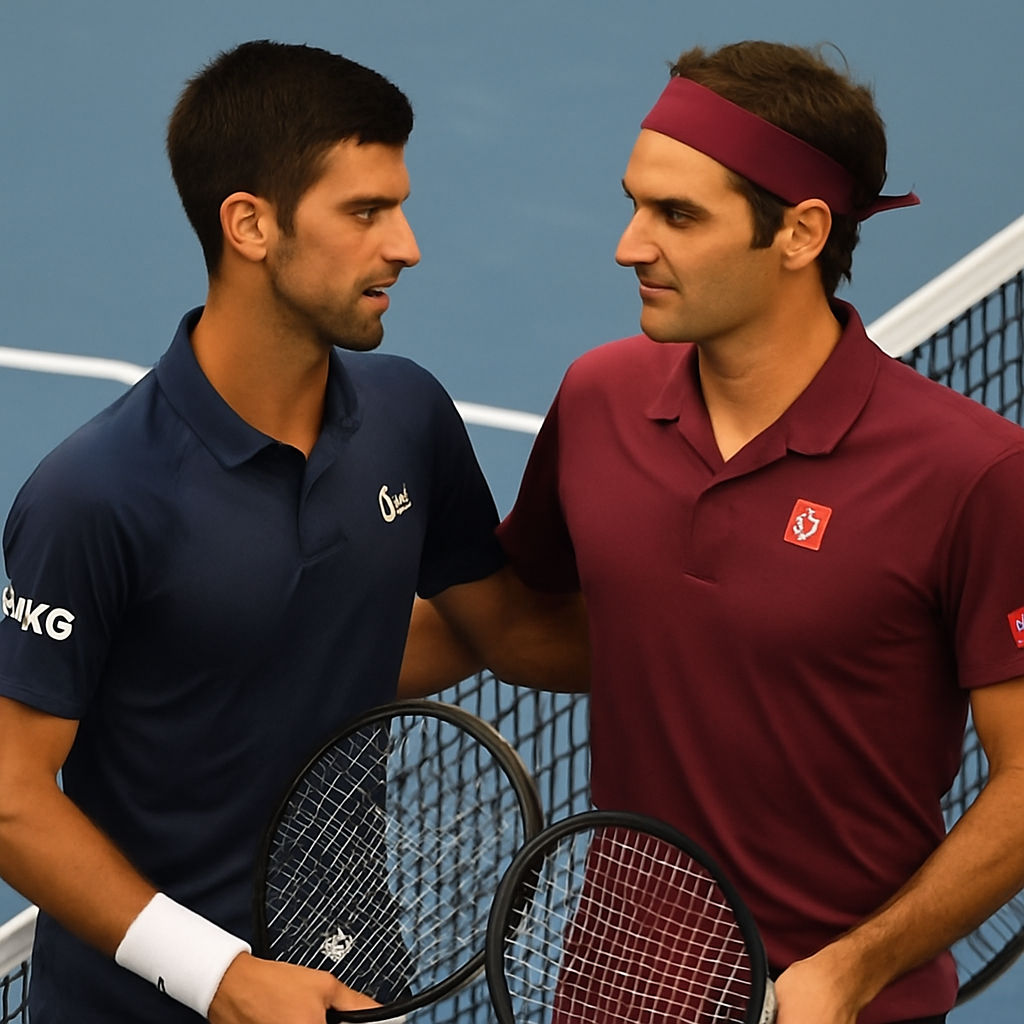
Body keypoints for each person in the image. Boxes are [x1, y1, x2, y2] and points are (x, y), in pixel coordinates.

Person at [403, 41, 1024, 1024]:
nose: (629, 244)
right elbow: (516, 624)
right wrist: (243, 671)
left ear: (800, 233)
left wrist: (854, 967)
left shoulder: (973, 474)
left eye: (677, 215)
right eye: (634, 202)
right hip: (613, 995)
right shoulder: (599, 399)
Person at [0, 40, 584, 1024]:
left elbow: (507, 632)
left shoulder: (407, 418)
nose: (405, 245)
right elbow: (12, 797)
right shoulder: (95, 494)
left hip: (356, 982)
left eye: (397, 206)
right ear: (250, 225)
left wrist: (762, 641)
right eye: (365, 212)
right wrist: (219, 976)